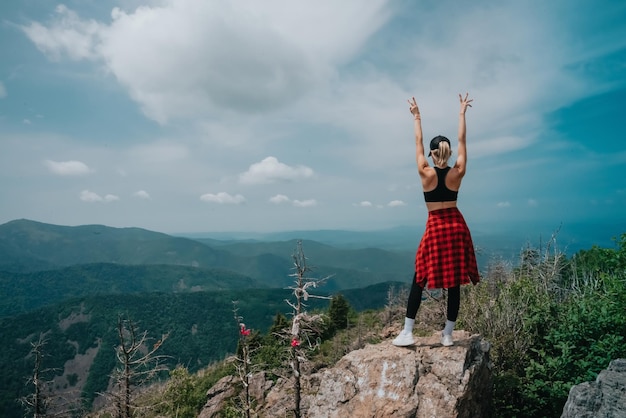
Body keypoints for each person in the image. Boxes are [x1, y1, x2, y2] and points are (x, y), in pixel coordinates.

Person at [392, 93, 480, 347]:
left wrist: (417, 116)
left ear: (432, 154)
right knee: (454, 281)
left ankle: (408, 331)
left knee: (420, 274)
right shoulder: (458, 172)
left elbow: (417, 141)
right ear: (449, 152)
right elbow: (463, 140)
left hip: (436, 225)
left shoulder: (424, 171)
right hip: (456, 224)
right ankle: (448, 334)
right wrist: (462, 113)